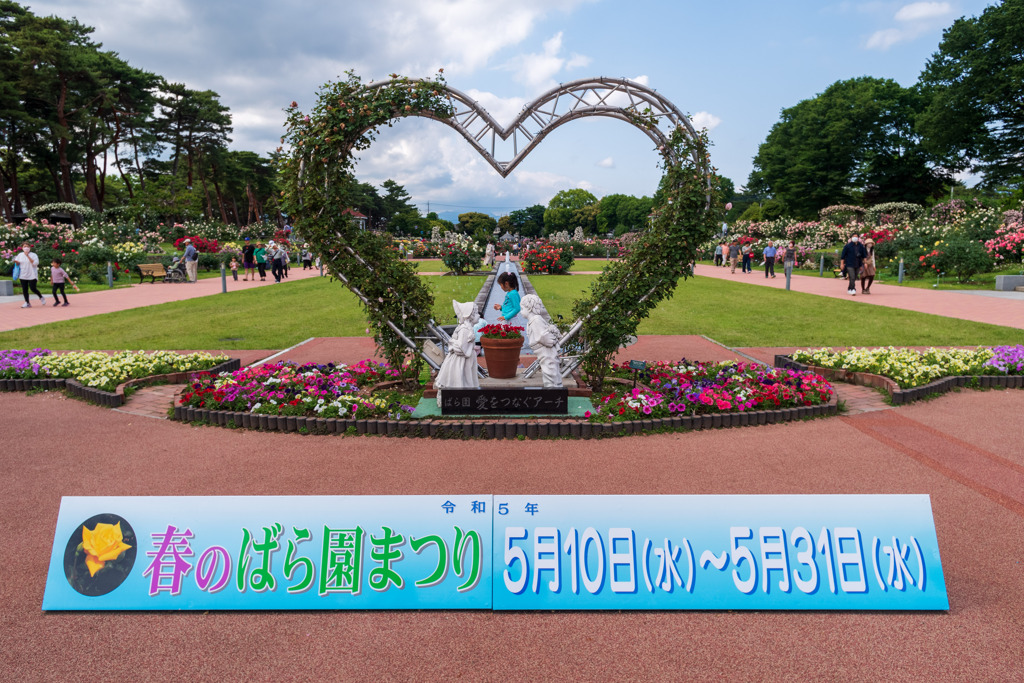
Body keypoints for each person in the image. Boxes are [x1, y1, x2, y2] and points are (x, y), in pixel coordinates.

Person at [434, 300, 480, 407]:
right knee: (460, 377)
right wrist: (452, 342)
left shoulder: (467, 328)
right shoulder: (464, 329)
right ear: (470, 315)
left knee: (466, 377)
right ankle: (458, 399)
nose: (478, 315)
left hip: (466, 359)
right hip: (460, 360)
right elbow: (461, 348)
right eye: (476, 313)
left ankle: (466, 398)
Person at [520, 294, 563, 388]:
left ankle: (555, 394)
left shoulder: (536, 320)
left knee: (550, 372)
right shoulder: (532, 320)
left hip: (547, 353)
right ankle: (553, 392)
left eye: (522, 308)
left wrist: (550, 337)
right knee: (549, 372)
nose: (520, 311)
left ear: (529, 308)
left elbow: (544, 338)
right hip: (543, 353)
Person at [14, 243, 45, 308]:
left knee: (33, 288)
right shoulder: (20, 255)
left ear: (30, 248)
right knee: (24, 289)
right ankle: (27, 302)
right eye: (24, 246)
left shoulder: (34, 255)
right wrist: (16, 262)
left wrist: (27, 256)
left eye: (27, 246)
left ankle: (41, 297)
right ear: (22, 248)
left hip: (32, 274)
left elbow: (35, 263)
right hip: (23, 274)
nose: (26, 248)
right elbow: (18, 263)